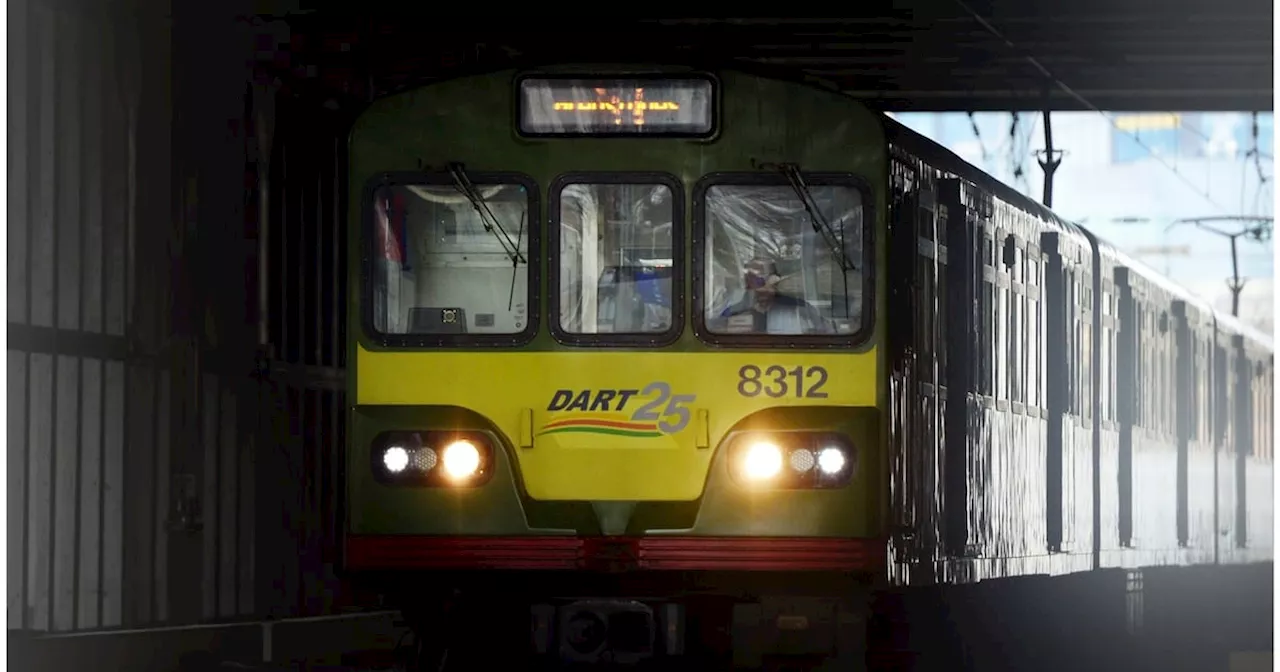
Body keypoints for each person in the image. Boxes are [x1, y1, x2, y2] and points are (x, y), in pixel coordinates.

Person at [716, 258, 833, 335]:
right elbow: (715, 333)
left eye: (768, 280)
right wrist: (727, 330)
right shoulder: (732, 312)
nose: (763, 289)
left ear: (776, 282)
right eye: (756, 281)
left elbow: (826, 332)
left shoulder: (800, 309)